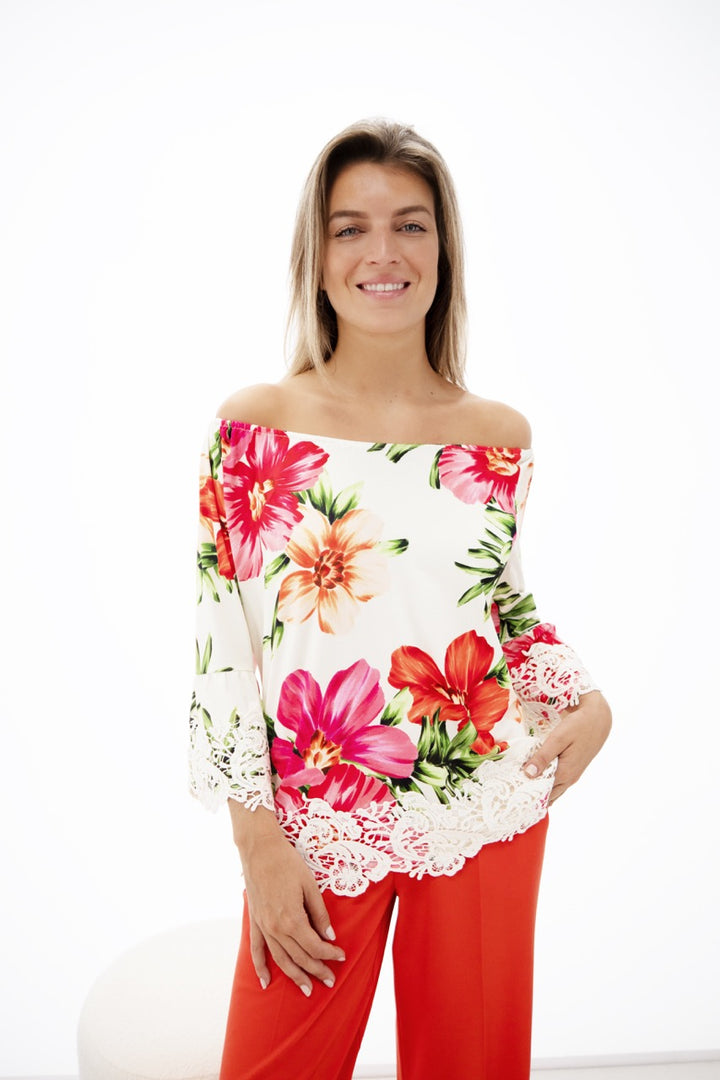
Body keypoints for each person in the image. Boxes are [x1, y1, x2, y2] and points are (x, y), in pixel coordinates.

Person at [189, 118, 611, 1080]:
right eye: (351, 228)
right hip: (317, 818)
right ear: (318, 255)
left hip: (483, 804)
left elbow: (496, 604)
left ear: (443, 248)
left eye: (410, 225)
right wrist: (257, 841)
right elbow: (222, 646)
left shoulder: (496, 437)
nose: (382, 252)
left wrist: (587, 700)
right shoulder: (254, 428)